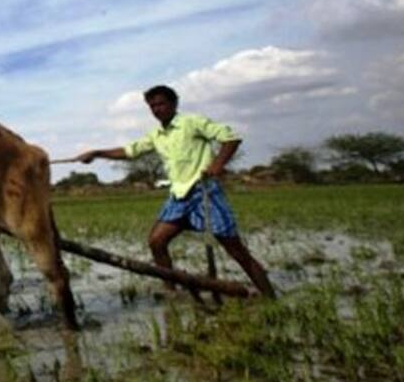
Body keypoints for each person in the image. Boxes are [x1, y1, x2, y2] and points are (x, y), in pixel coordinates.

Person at [73, 85, 276, 298]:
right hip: (179, 197)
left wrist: (217, 165)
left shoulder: (192, 123)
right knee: (157, 242)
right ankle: (171, 291)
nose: (157, 109)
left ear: (173, 104)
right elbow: (129, 151)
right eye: (152, 106)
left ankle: (270, 297)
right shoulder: (157, 135)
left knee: (236, 251)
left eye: (161, 104)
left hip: (203, 192)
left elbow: (231, 138)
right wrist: (97, 153)